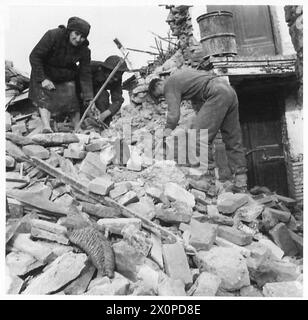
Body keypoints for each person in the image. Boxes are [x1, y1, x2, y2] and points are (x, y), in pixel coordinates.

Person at [148, 68, 248, 190]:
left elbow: (173, 115)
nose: (163, 97)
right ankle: (241, 181)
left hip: (216, 92)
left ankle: (207, 181)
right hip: (228, 91)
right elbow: (200, 107)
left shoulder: (169, 84)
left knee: (198, 136)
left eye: (161, 95)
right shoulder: (187, 79)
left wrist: (167, 132)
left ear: (159, 83)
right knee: (232, 138)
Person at [29, 16, 94, 133]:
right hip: (45, 71)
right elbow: (35, 56)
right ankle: (46, 127)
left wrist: (89, 97)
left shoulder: (84, 50)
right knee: (44, 97)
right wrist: (43, 79)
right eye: (76, 34)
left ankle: (77, 129)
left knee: (72, 98)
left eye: (83, 37)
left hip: (65, 73)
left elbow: (85, 73)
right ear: (70, 31)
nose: (78, 39)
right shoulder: (53, 35)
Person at [88, 55, 128, 127]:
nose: (116, 79)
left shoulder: (117, 79)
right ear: (106, 70)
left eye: (118, 76)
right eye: (114, 76)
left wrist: (105, 114)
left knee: (103, 96)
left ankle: (102, 127)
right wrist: (89, 99)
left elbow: (117, 100)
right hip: (81, 90)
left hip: (98, 92)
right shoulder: (92, 67)